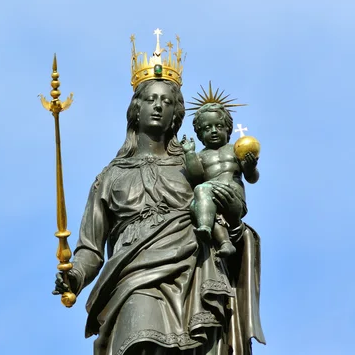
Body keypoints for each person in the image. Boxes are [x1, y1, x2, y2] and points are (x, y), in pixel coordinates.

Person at [53, 79, 265, 354]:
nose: (158, 107)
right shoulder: (110, 177)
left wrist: (235, 220)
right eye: (151, 99)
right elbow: (91, 249)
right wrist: (76, 275)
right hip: (133, 274)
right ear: (136, 109)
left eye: (166, 102)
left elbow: (227, 222)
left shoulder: (193, 166)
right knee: (141, 335)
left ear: (176, 115)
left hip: (195, 269)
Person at [180, 103, 259, 258]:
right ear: (200, 134)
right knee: (197, 206)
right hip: (211, 197)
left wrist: (250, 166)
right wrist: (189, 153)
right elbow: (196, 176)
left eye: (219, 126)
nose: (214, 131)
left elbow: (252, 178)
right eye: (207, 128)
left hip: (233, 196)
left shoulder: (235, 150)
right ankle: (225, 243)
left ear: (228, 128)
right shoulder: (201, 155)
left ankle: (205, 227)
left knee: (202, 192)